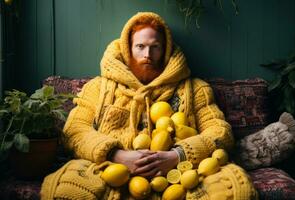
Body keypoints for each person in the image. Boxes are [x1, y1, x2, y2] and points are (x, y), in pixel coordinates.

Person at [41, 12, 258, 199]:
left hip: (182, 171)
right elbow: (74, 131)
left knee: (235, 192)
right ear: (128, 49)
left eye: (155, 47)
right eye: (140, 47)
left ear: (165, 51)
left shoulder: (195, 89)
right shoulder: (97, 87)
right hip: (108, 167)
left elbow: (220, 132)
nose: (147, 55)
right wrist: (117, 155)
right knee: (64, 191)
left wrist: (177, 155)